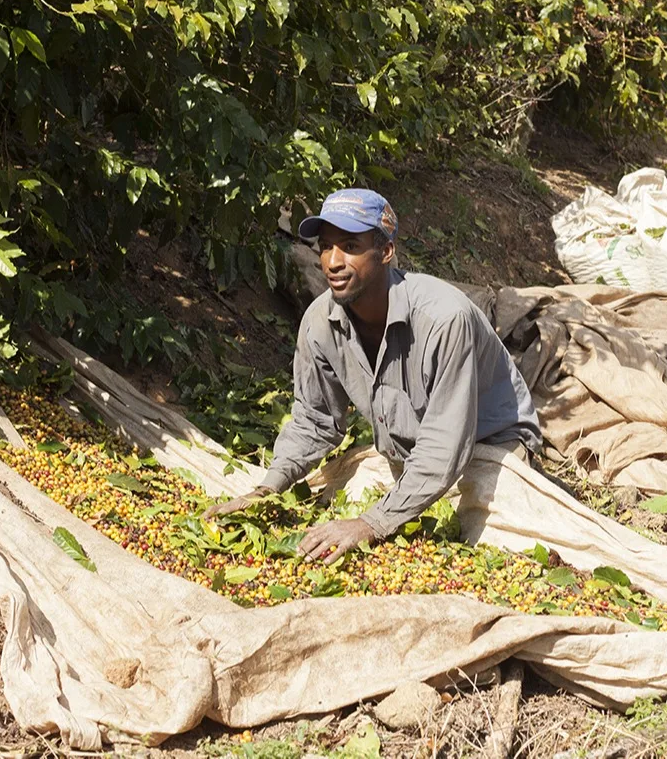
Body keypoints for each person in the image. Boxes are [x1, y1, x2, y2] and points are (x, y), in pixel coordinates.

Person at [205, 189, 542, 563]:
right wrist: (267, 490)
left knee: (493, 538)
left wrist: (370, 524)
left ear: (385, 251)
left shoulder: (444, 320)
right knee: (353, 494)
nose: (332, 261)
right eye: (326, 246)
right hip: (414, 454)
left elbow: (444, 445)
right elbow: (314, 422)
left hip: (490, 445)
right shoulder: (320, 324)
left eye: (350, 245)